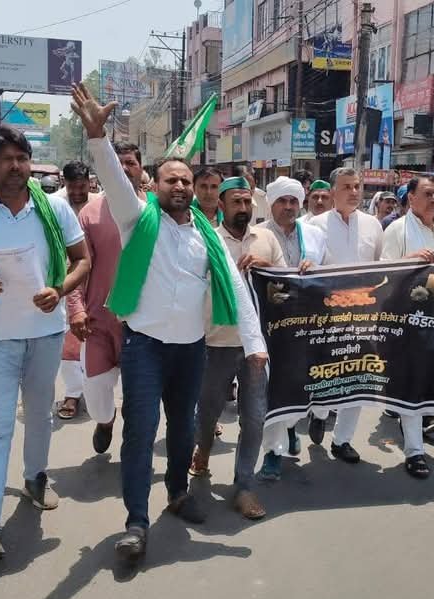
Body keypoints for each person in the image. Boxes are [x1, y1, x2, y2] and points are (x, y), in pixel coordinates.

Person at [72, 83, 265, 560]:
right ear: (154, 186)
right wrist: (97, 138)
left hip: (191, 349)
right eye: (169, 180)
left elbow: (235, 287)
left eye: (185, 181)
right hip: (144, 346)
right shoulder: (137, 218)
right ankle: (137, 522)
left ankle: (178, 493)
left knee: (183, 428)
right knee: (141, 431)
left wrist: (254, 343)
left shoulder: (208, 236)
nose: (178, 186)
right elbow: (114, 179)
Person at [0, 126, 90, 557]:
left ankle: (35, 477)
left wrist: (59, 290)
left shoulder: (55, 208)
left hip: (46, 333)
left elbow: (82, 260)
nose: (15, 166)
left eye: (21, 158)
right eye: (5, 159)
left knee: (40, 416)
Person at [192, 176, 285, 520]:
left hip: (256, 349)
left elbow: (286, 286)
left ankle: (244, 486)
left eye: (247, 202)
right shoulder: (206, 240)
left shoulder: (267, 239)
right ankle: (202, 450)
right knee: (208, 412)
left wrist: (269, 269)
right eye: (236, 202)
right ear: (221, 205)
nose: (244, 208)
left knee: (255, 417)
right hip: (215, 343)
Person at [306, 167, 385, 463]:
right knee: (327, 372)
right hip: (328, 316)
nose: (353, 192)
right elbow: (309, 267)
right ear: (333, 192)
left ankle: (342, 440)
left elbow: (381, 266)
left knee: (359, 376)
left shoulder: (373, 225)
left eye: (356, 186)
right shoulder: (315, 226)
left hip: (363, 316)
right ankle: (319, 412)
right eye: (346, 187)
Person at [380, 176, 434, 479]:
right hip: (407, 318)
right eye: (428, 194)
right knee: (412, 381)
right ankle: (414, 451)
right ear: (411, 198)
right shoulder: (397, 229)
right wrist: (410, 259)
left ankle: (418, 423)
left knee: (429, 379)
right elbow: (384, 271)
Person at [67, 143, 137, 455]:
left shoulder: (153, 214)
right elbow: (78, 266)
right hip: (98, 322)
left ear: (140, 169)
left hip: (142, 326)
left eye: (130, 163)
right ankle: (105, 421)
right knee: (96, 393)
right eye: (116, 163)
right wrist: (76, 309)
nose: (124, 169)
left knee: (140, 397)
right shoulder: (90, 215)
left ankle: (133, 448)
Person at [257, 177, 328, 481]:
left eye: (293, 201)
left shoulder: (314, 235)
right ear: (271, 204)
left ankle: (289, 426)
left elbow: (330, 276)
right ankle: (272, 452)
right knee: (271, 387)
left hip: (304, 324)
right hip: (268, 325)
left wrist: (316, 269)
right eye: (282, 201)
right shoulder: (257, 235)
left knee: (298, 384)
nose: (288, 207)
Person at [56, 161, 95, 420]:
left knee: (94, 337)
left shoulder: (100, 203)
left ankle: (93, 390)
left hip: (97, 278)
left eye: (82, 187)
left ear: (89, 182)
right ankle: (72, 393)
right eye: (73, 187)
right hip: (66, 277)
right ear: (64, 183)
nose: (78, 192)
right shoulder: (54, 205)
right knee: (69, 339)